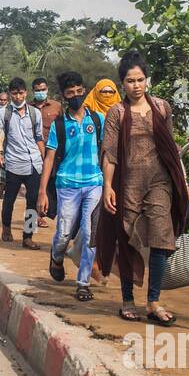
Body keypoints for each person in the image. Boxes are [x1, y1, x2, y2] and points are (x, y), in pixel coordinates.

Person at [95, 51, 189, 326]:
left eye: (140, 79)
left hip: (160, 181)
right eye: (130, 80)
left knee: (162, 237)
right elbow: (109, 152)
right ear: (122, 83)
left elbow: (171, 149)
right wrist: (108, 186)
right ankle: (127, 300)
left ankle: (153, 301)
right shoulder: (117, 112)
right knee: (126, 239)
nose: (136, 85)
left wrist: (182, 181)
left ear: (147, 80)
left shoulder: (162, 107)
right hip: (128, 183)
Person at [38, 71, 105, 302]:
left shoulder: (97, 120)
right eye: (70, 93)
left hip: (94, 183)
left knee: (89, 234)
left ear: (84, 91)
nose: (76, 96)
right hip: (67, 184)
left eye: (79, 91)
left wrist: (110, 183)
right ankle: (56, 257)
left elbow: (106, 153)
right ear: (64, 96)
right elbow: (49, 157)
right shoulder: (59, 124)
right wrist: (42, 192)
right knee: (64, 233)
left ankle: (83, 283)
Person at [0, 77, 46, 250]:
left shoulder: (35, 113)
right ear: (10, 94)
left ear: (26, 93)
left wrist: (45, 159)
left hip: (34, 164)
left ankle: (28, 237)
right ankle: (6, 228)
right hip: (14, 163)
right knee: (9, 200)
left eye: (21, 93)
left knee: (32, 201)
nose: (18, 97)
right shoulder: (3, 113)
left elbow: (39, 138)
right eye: (14, 94)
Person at [32, 76, 63, 226]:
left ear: (47, 89)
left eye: (43, 89)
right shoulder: (27, 107)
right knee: (32, 191)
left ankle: (44, 213)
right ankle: (30, 228)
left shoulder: (57, 107)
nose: (40, 92)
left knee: (50, 186)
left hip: (51, 154)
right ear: (33, 91)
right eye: (37, 90)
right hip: (31, 154)